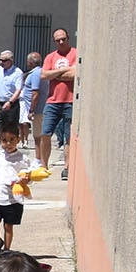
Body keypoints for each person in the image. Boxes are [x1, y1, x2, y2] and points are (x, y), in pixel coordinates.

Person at [0, 115, 37, 255]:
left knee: (8, 226)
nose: (9, 143)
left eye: (12, 140)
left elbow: (28, 174)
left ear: (18, 139)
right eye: (5, 140)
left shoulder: (22, 158)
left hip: (13, 199)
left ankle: (6, 250)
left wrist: (25, 179)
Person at [40, 27, 79, 176]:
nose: (61, 42)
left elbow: (74, 74)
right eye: (58, 40)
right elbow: (44, 75)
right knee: (45, 133)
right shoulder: (50, 57)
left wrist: (54, 74)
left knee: (68, 136)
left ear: (68, 38)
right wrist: (62, 72)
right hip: (53, 101)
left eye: (63, 39)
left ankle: (67, 168)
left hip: (70, 101)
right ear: (54, 41)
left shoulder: (75, 53)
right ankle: (44, 166)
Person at [0, 48, 25, 125]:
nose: (1, 62)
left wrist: (10, 102)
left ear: (11, 60)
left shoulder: (17, 72)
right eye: (0, 60)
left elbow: (18, 90)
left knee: (10, 129)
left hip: (11, 105)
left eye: (4, 60)